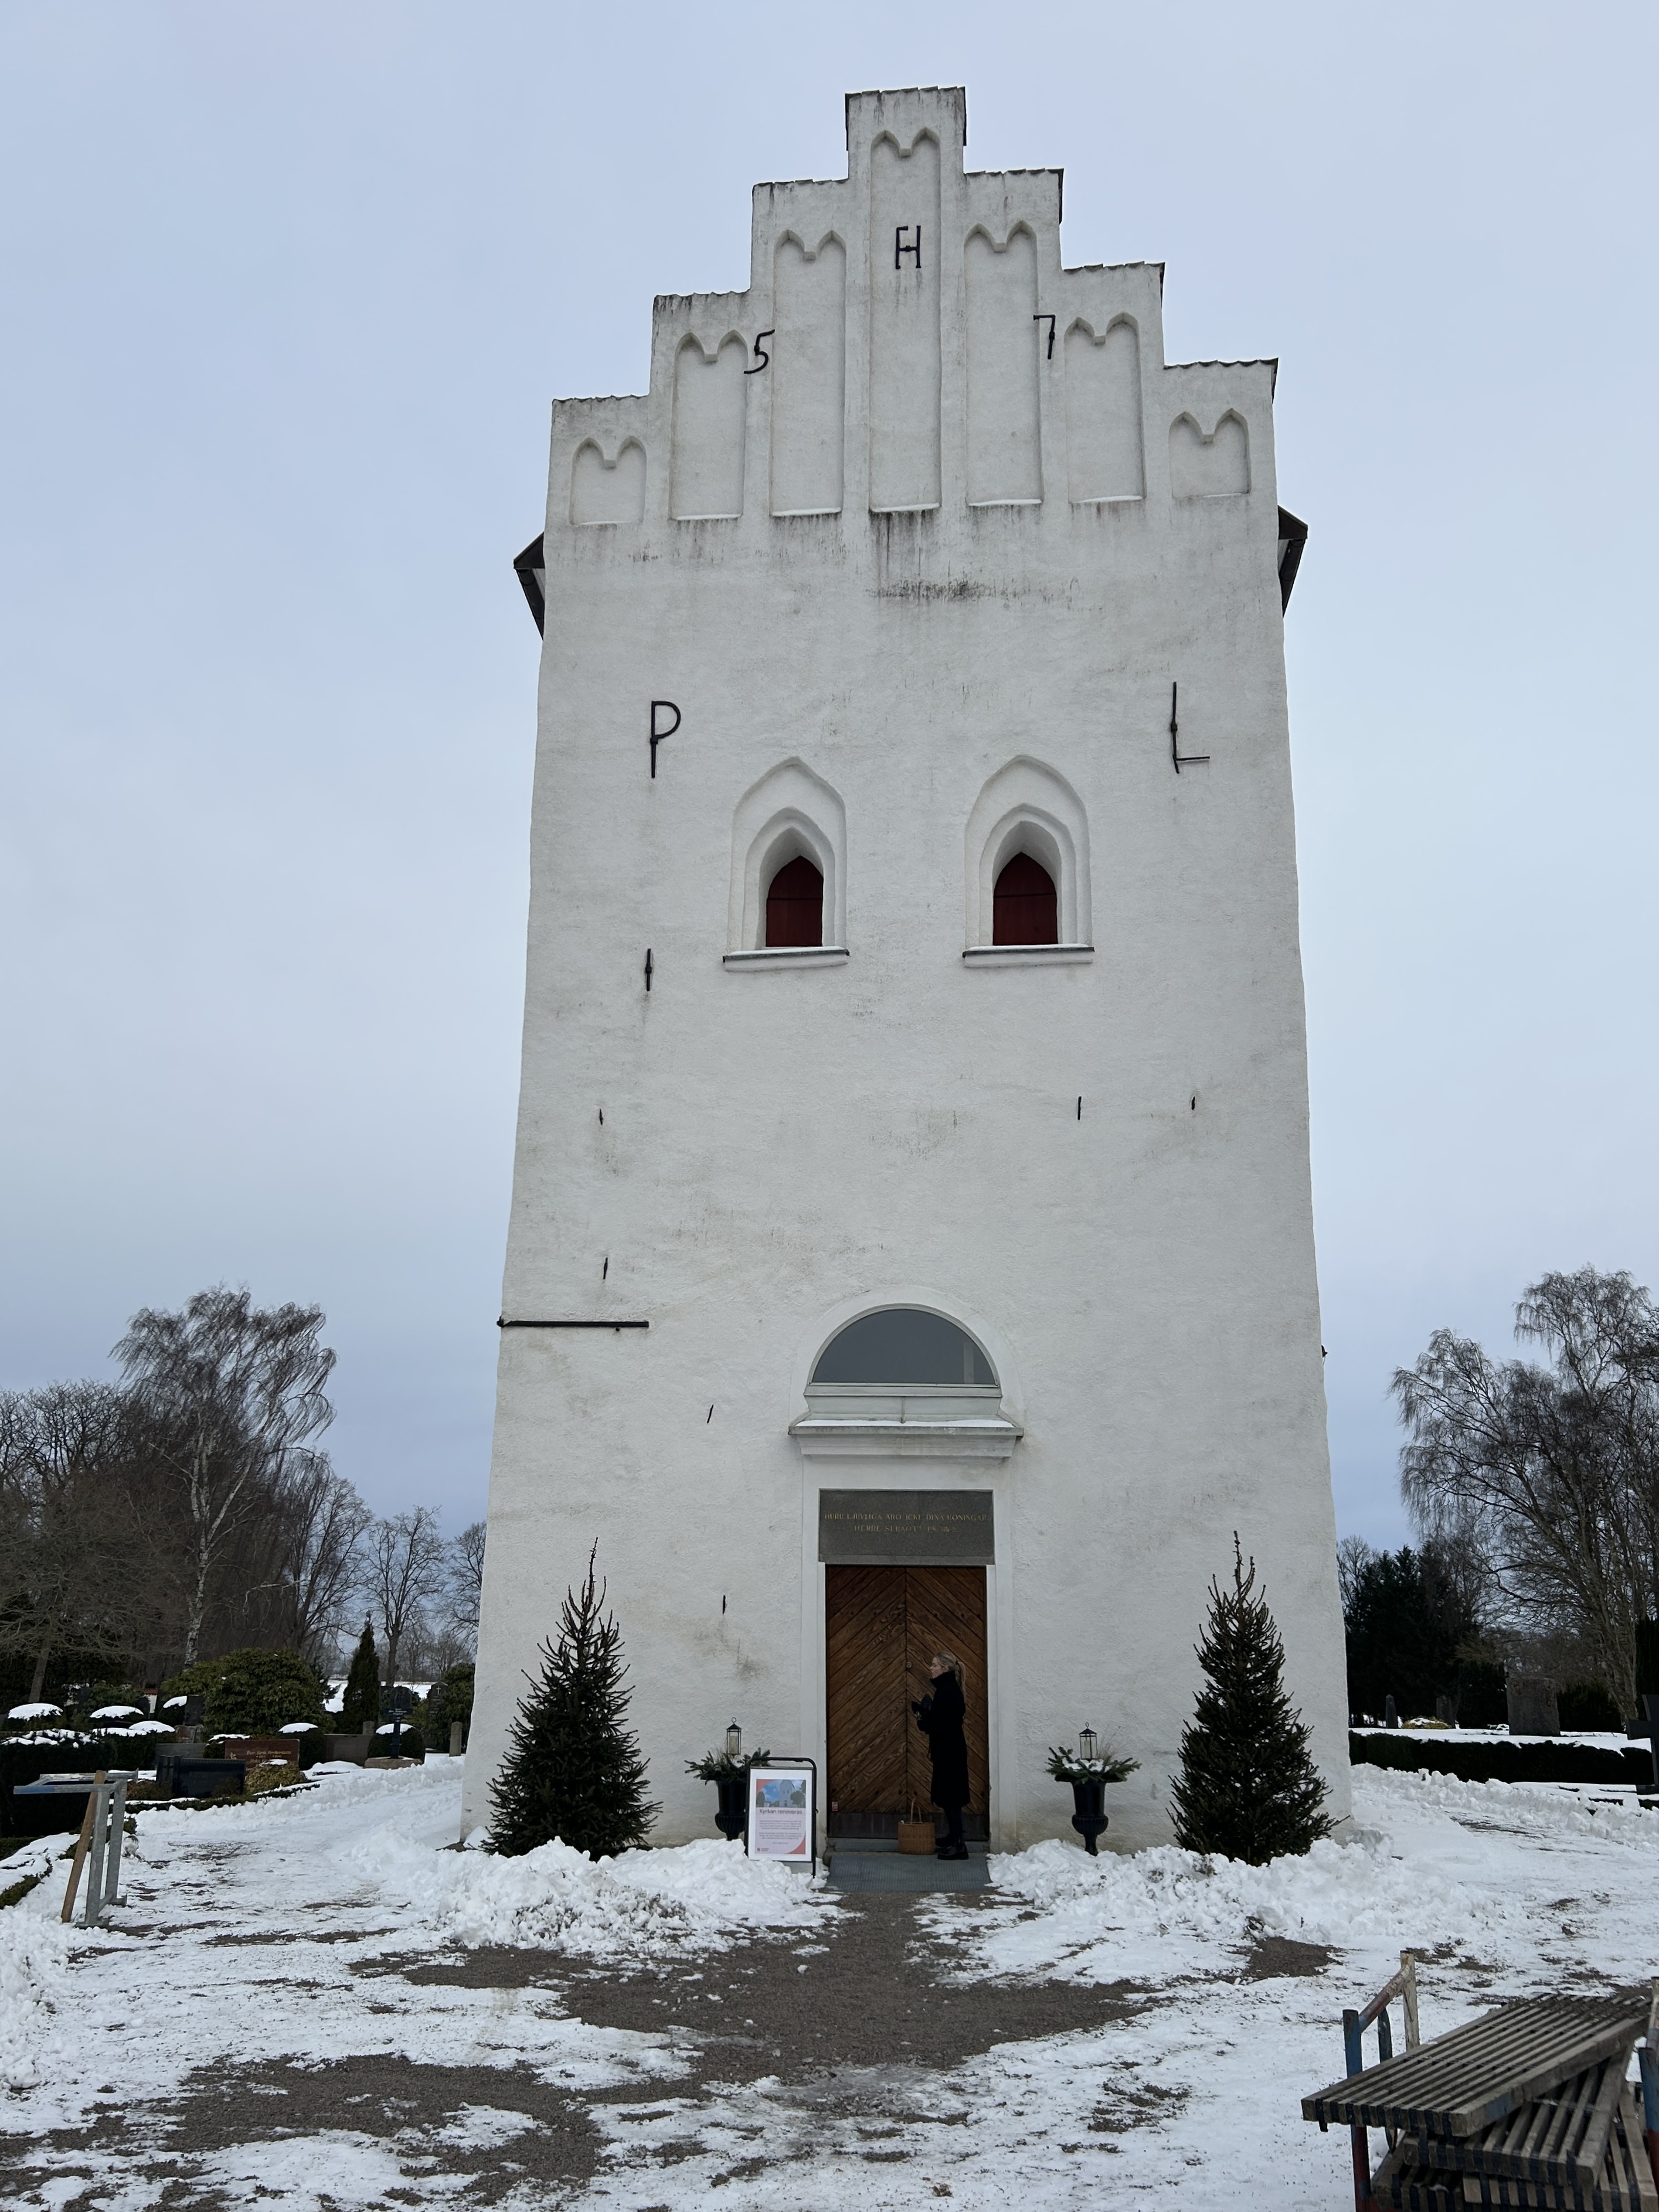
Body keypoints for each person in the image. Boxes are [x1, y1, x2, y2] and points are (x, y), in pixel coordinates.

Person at [912, 1649, 970, 1860]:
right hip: (949, 1750)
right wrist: (927, 1714)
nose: (931, 1668)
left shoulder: (948, 1692)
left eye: (935, 1665)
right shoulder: (947, 1689)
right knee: (949, 1796)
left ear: (945, 1668)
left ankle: (959, 1845)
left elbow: (940, 1725)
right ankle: (954, 1837)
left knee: (952, 1797)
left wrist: (923, 1720)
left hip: (949, 1752)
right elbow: (943, 1720)